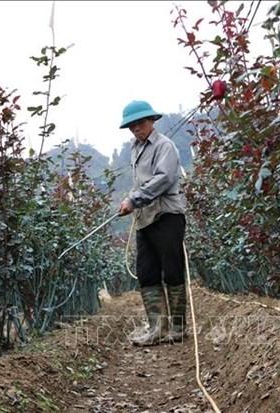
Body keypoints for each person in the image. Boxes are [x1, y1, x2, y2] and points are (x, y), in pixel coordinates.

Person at [117, 100, 187, 346]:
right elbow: (141, 183)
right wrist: (131, 201)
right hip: (145, 218)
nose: (136, 128)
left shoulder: (164, 146)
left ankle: (177, 328)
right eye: (132, 125)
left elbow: (164, 178)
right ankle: (157, 328)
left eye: (141, 123)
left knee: (172, 270)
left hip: (167, 215)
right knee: (146, 272)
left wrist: (134, 199)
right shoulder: (136, 149)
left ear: (152, 121)